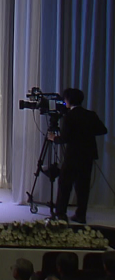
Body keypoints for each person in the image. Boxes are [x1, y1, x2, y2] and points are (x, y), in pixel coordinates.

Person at [48, 87, 108, 224]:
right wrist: (87, 134)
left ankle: (61, 213)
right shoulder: (90, 114)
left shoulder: (69, 116)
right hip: (88, 155)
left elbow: (65, 138)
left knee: (65, 184)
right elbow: (103, 130)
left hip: (73, 155)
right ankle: (81, 215)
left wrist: (54, 138)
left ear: (68, 100)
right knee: (83, 187)